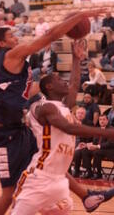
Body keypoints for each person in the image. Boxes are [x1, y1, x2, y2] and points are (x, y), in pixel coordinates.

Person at [0, 9, 108, 215]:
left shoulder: (13, 71)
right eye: (11, 36)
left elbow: (41, 90)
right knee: (8, 193)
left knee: (48, 162)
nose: (16, 37)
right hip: (1, 135)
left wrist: (74, 62)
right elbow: (49, 36)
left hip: (18, 130)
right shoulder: (10, 55)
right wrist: (83, 15)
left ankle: (86, 196)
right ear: (2, 44)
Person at [11, 71, 114, 215]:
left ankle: (86, 196)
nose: (65, 82)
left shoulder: (63, 108)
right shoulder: (43, 107)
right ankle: (87, 196)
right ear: (49, 86)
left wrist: (77, 60)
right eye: (59, 79)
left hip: (59, 181)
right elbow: (68, 128)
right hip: (38, 177)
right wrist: (109, 132)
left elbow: (73, 85)